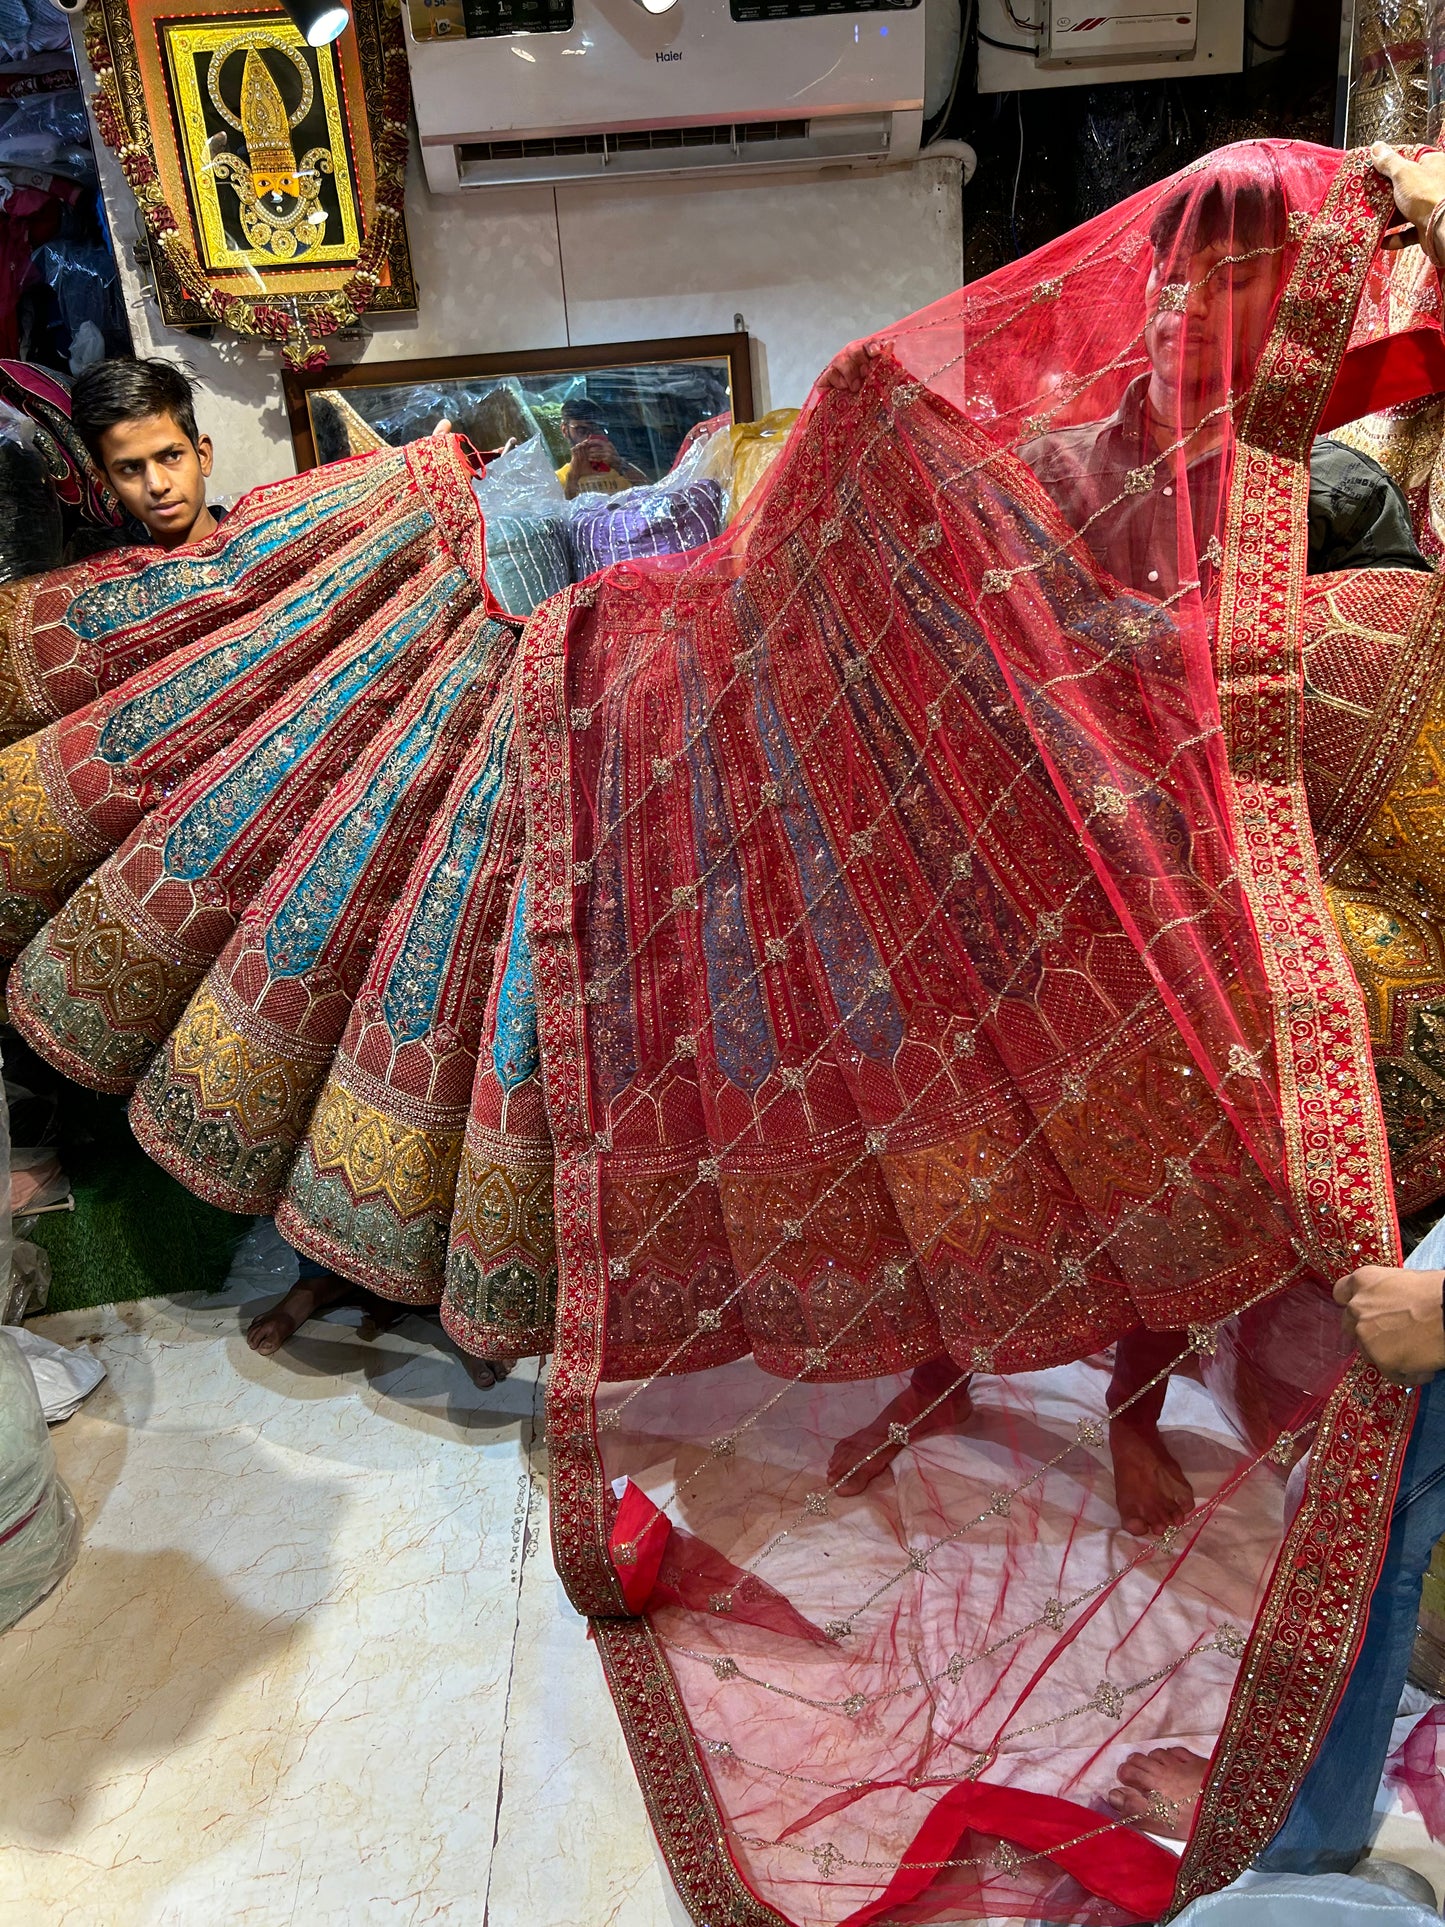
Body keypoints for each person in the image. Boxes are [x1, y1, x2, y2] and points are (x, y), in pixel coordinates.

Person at [0, 140, 1436, 1924]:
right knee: (977, 1127)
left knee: (1082, 1126)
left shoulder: (1150, 488)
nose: (1193, 324)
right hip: (933, 824)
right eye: (1193, 291)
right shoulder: (984, 447)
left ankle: (1166, 1504)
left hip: (1046, 844)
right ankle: (1073, 1441)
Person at [69, 357, 219, 551]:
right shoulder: (119, 579)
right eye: (131, 468)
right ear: (108, 483)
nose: (157, 485)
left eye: (172, 456)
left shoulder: (266, 549)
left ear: (202, 456)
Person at [554, 396, 648, 499]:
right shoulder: (557, 479)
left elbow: (652, 494)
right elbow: (560, 510)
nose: (589, 438)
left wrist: (620, 464)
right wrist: (573, 476)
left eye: (595, 430)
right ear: (564, 430)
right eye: (581, 431)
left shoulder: (621, 471)